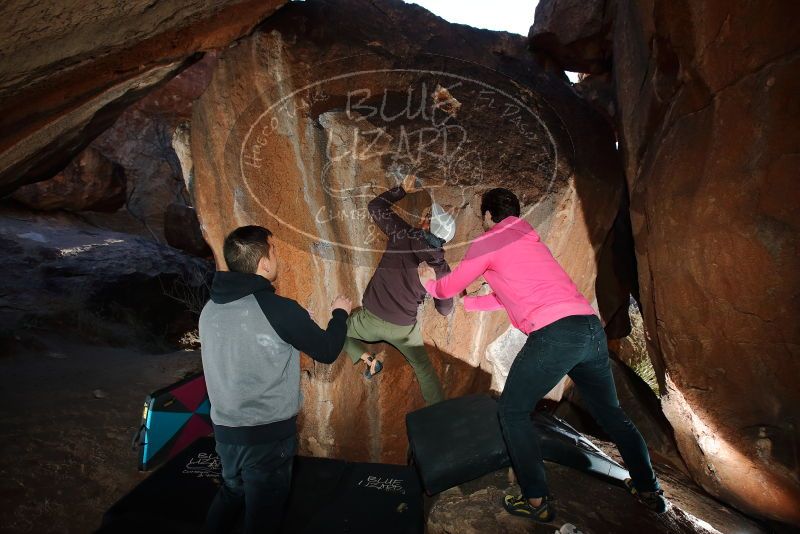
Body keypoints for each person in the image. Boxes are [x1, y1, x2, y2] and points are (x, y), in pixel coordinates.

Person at [418, 188, 667, 523]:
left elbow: (447, 287)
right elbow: (505, 298)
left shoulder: (489, 240)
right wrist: (468, 304)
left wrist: (431, 284)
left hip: (555, 336)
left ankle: (536, 500)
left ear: (488, 215)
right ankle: (649, 489)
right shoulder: (530, 241)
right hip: (589, 331)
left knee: (512, 411)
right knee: (611, 414)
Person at [199, 225, 352, 533]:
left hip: (226, 432)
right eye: (274, 249)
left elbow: (248, 343)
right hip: (266, 437)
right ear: (264, 262)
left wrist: (295, 323)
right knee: (264, 518)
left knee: (232, 491)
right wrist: (339, 315)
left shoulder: (210, 308)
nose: (277, 255)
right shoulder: (279, 309)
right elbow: (326, 349)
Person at [342, 173, 456, 405]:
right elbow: (445, 310)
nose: (424, 214)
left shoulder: (402, 235)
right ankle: (442, 417)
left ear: (426, 223)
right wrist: (433, 286)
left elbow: (376, 206)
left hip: (369, 320)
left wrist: (401, 189)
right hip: (403, 329)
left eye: (427, 215)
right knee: (424, 370)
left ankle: (368, 359)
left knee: (337, 331)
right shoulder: (442, 270)